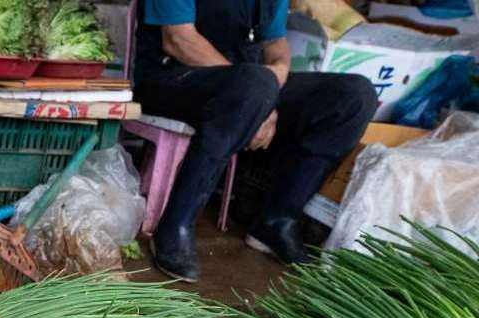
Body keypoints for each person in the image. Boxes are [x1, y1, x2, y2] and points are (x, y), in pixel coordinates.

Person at [134, 0, 378, 281]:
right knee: (253, 83)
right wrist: (260, 92)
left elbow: (276, 44)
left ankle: (277, 220)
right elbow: (178, 39)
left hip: (249, 87)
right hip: (172, 80)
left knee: (354, 95)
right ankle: (175, 226)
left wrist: (274, 79)